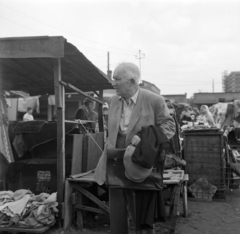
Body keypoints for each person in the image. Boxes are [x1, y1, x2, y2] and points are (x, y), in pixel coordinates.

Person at [95, 62, 175, 234]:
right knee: (117, 213)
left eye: (117, 79)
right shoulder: (114, 100)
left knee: (141, 213)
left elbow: (170, 127)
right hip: (115, 161)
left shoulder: (155, 100)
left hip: (140, 161)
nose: (113, 83)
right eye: (113, 79)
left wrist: (147, 138)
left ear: (132, 81)